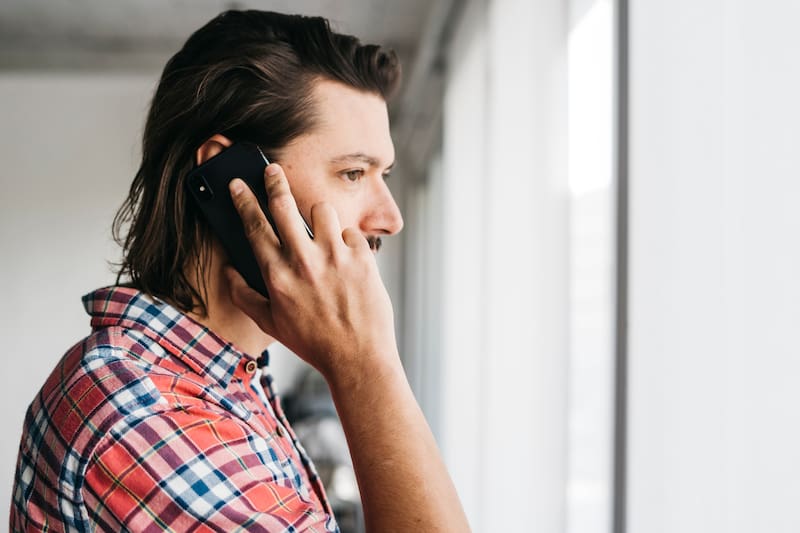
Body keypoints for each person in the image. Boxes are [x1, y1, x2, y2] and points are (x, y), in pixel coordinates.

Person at [10, 10, 469, 533]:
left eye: (382, 175)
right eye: (352, 173)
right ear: (234, 182)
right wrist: (366, 365)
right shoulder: (139, 412)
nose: (390, 218)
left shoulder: (227, 381)